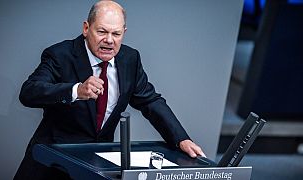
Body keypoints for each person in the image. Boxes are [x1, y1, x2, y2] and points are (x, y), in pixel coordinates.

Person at [14, 1, 205, 179]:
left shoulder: (130, 59)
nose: (109, 40)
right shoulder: (60, 55)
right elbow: (29, 92)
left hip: (97, 166)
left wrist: (181, 139)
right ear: (86, 28)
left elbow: (150, 101)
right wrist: (76, 91)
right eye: (102, 32)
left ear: (124, 32)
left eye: (116, 34)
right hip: (51, 164)